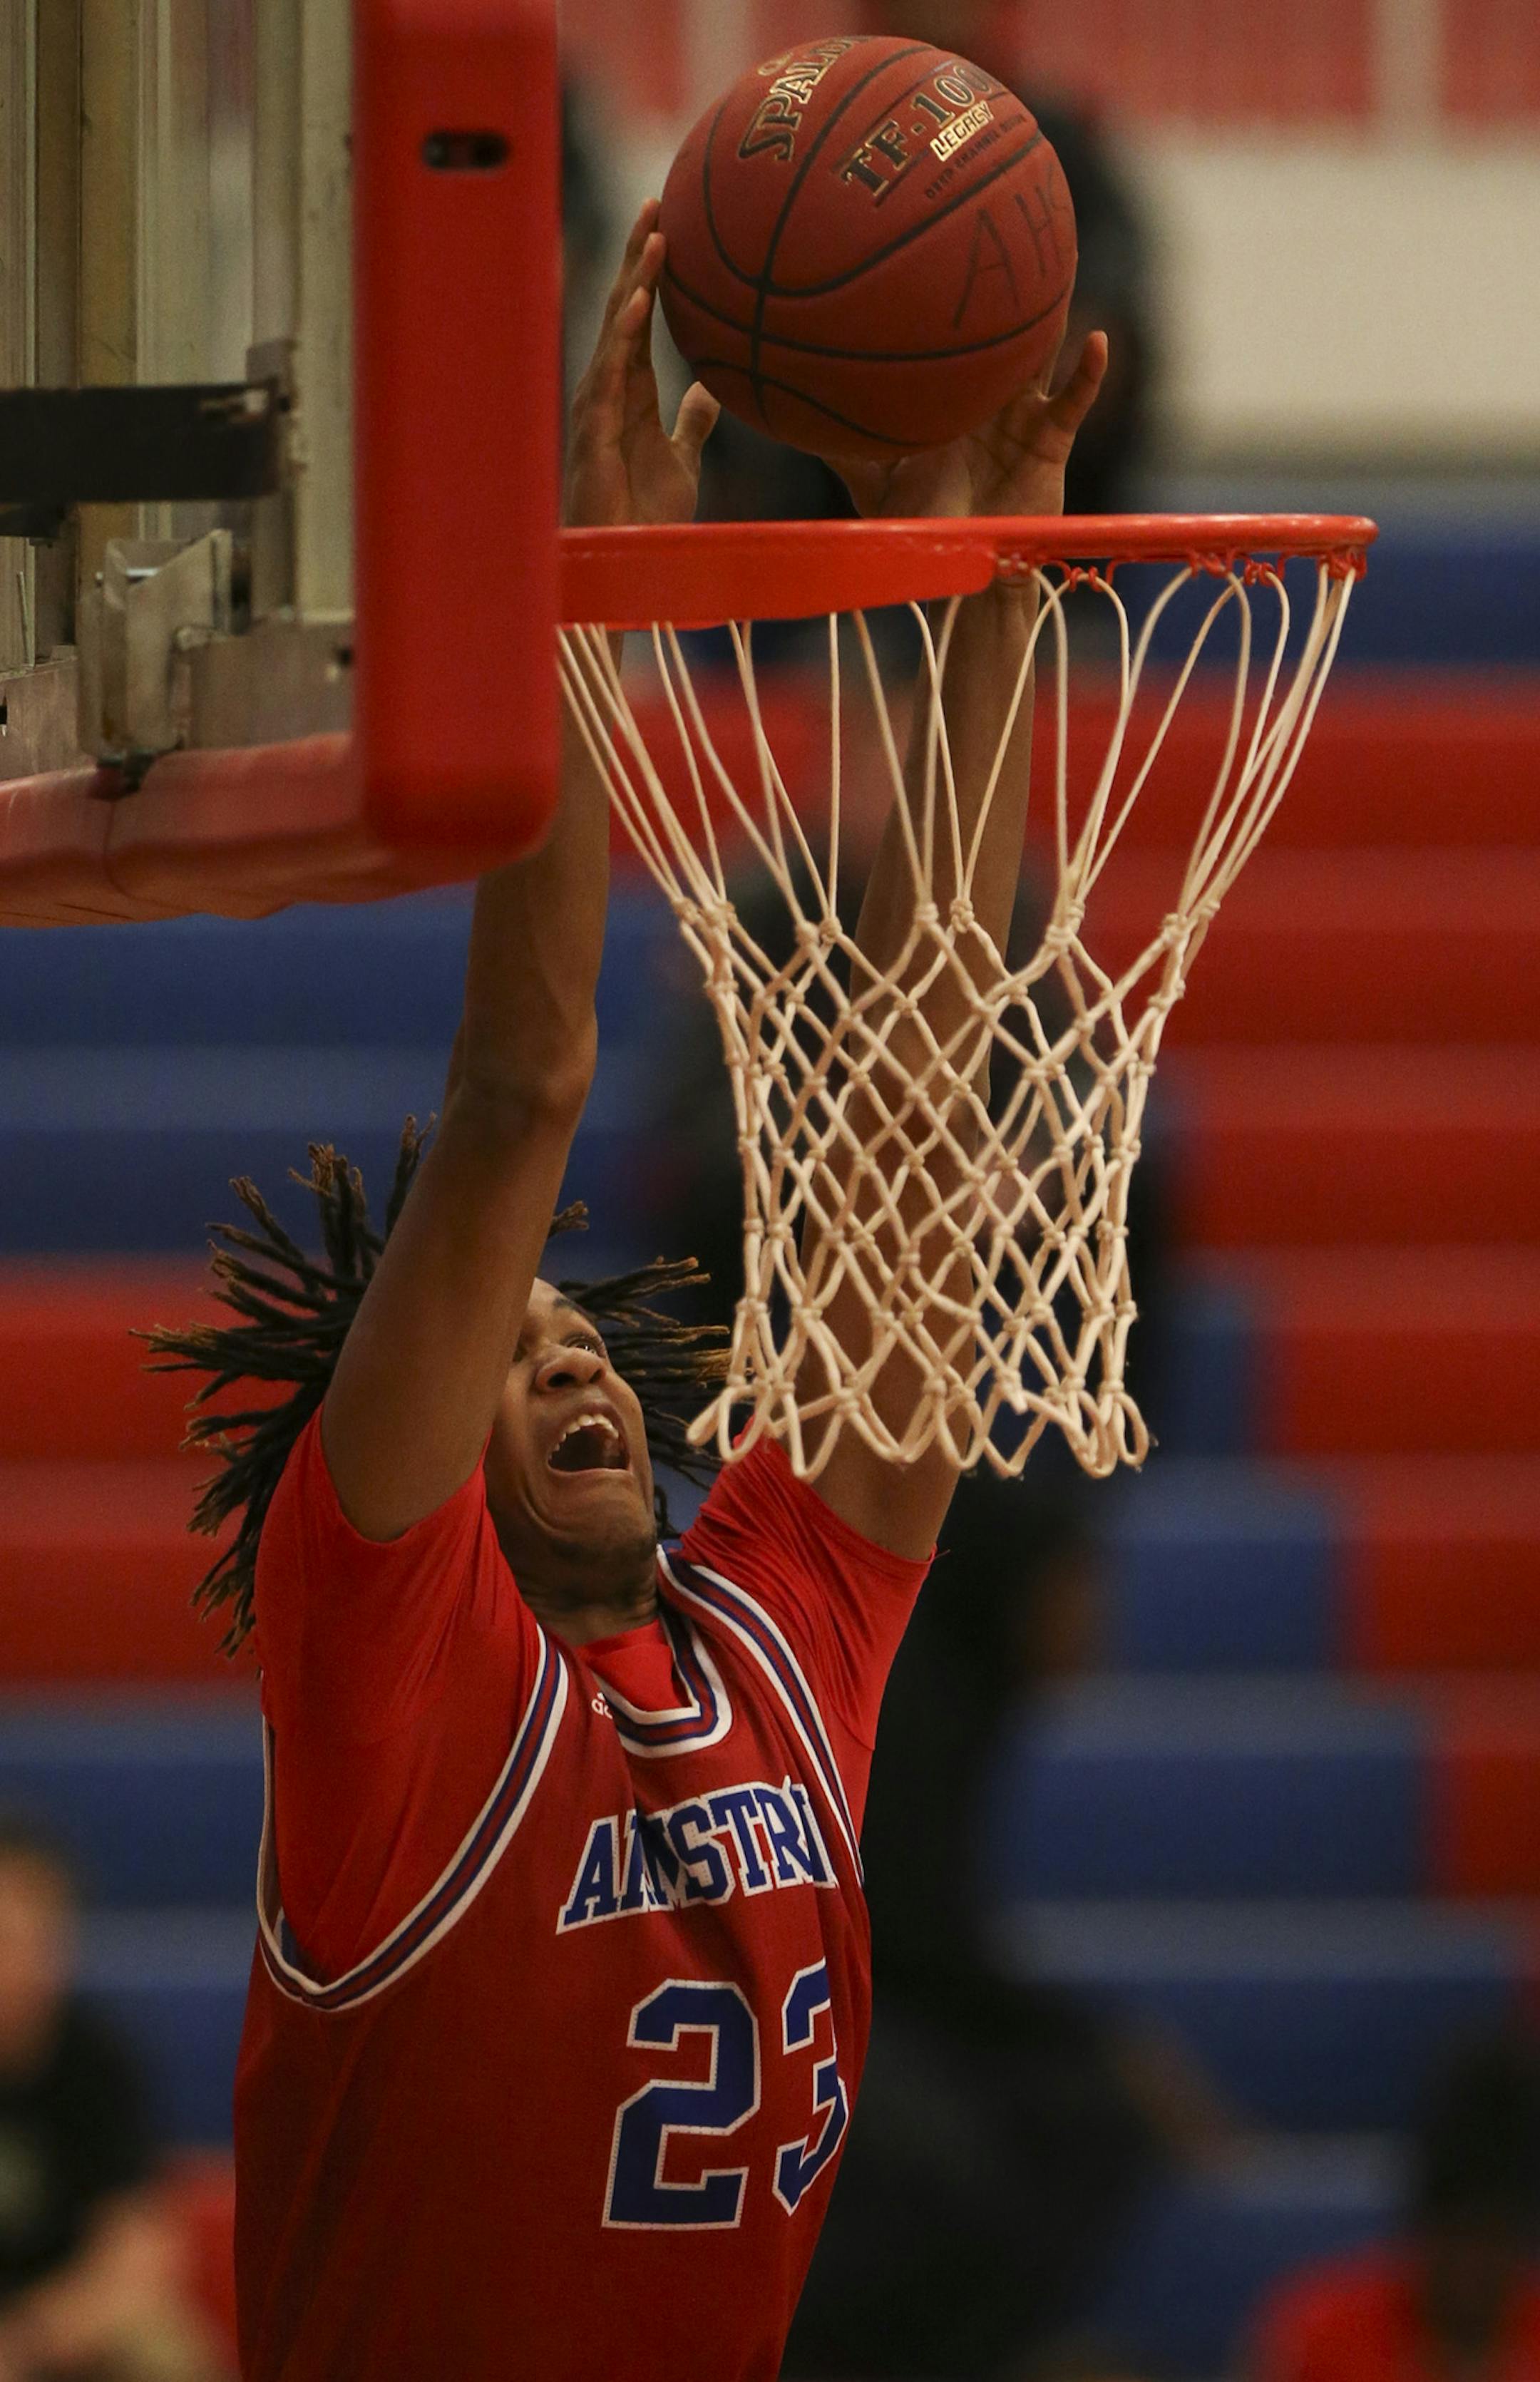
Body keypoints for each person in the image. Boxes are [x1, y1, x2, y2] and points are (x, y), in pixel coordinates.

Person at [151, 207, 1107, 2380]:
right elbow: (521, 1091)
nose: (570, 1346)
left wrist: (985, 581)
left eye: (578, 1334)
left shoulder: (784, 1622)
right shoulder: (391, 1670)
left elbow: (924, 1056)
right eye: (511, 1350)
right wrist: (587, 609)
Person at [0, 1817, 230, 2382]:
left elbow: (141, 2250)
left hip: (58, 2329)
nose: (20, 1962)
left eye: (39, 1934)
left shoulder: (96, 2063)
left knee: (163, 2353)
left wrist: (28, 2340)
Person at [1251, 2033, 1540, 2382]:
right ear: (1421, 2227)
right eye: (1455, 2238)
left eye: (1492, 2240)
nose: (1470, 2268)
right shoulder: (1320, 2332)